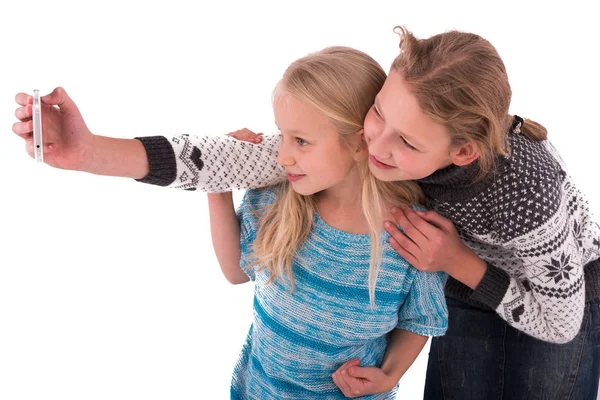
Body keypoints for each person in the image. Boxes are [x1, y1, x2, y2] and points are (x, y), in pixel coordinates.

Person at [12, 25, 600, 399]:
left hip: (554, 295)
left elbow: (560, 320)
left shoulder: (521, 197)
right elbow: (216, 159)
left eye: (407, 143)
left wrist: (457, 260)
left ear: (462, 151)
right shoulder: (353, 158)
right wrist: (88, 152)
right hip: (453, 273)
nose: (378, 147)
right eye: (376, 117)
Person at [12, 46, 449, 399]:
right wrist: (221, 181)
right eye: (282, 135)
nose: (282, 155)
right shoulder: (281, 200)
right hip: (258, 390)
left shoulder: (412, 233)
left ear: (359, 143)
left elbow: (420, 319)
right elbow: (235, 271)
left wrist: (389, 376)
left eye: (300, 141)